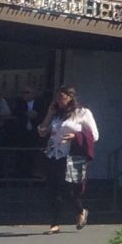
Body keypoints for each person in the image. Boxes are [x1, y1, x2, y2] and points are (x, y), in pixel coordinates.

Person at [36, 85, 98, 233]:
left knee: (67, 189)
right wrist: (49, 114)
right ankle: (55, 223)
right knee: (53, 189)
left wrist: (75, 136)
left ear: (70, 97)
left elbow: (94, 135)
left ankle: (80, 211)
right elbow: (42, 132)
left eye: (62, 97)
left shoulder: (82, 113)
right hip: (53, 154)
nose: (59, 100)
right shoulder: (57, 114)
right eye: (57, 97)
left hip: (71, 156)